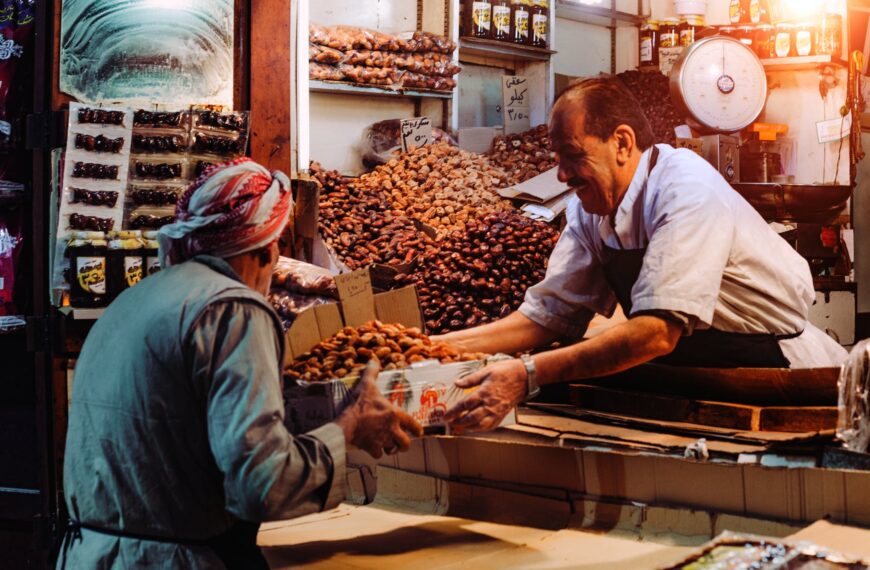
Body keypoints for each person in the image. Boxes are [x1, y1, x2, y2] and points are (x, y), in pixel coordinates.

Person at [57, 158, 422, 569]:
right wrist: (348, 428)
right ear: (267, 251)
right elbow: (260, 484)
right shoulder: (234, 309)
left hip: (90, 555)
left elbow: (179, 430)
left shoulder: (133, 300)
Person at [439, 76, 847, 434]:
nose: (561, 175)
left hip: (772, 372)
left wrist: (528, 373)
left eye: (573, 155)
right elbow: (546, 317)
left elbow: (656, 332)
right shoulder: (588, 209)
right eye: (557, 159)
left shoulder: (683, 188)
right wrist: (434, 348)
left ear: (621, 143)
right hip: (690, 374)